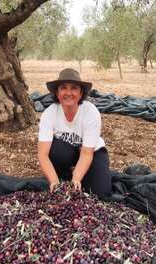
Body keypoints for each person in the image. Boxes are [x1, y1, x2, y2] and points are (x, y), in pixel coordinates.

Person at [38, 68, 112, 197]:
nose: (68, 93)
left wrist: (76, 178)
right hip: (66, 152)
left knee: (101, 192)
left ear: (81, 92)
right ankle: (63, 176)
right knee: (58, 149)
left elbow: (86, 152)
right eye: (63, 88)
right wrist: (54, 182)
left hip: (91, 153)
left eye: (74, 88)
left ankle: (80, 176)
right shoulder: (49, 113)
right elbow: (43, 154)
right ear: (57, 92)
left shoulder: (90, 112)